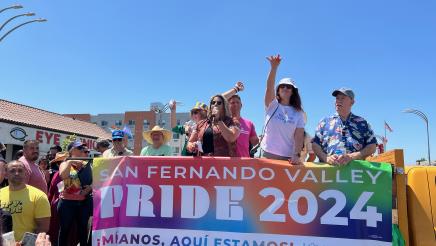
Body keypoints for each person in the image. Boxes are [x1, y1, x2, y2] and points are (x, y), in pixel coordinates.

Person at [312, 88, 377, 166]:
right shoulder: (324, 122)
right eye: (337, 98)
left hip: (356, 173)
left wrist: (352, 156)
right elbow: (315, 145)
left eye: (342, 98)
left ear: (352, 102)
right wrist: (326, 158)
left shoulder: (362, 123)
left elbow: (372, 146)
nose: (338, 100)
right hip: (328, 173)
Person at [261, 54, 305, 164]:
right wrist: (274, 68)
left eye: (289, 87)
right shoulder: (272, 104)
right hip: (267, 154)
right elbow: (269, 86)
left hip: (288, 158)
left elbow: (299, 136)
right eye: (282, 86)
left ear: (293, 91)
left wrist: (297, 154)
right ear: (278, 90)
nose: (285, 88)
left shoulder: (298, 113)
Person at [0, 160, 51, 242]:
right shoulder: (1, 193)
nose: (17, 173)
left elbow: (43, 227)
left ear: (25, 174)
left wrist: (27, 243)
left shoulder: (39, 196)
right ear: (6, 175)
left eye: (20, 171)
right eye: (12, 171)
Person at [57, 140, 93, 246]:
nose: (83, 151)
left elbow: (96, 180)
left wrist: (90, 188)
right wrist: (70, 161)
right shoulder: (64, 163)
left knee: (82, 231)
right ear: (72, 150)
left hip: (83, 203)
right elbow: (63, 176)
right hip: (67, 203)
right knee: (65, 230)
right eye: (80, 148)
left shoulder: (87, 165)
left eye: (84, 149)